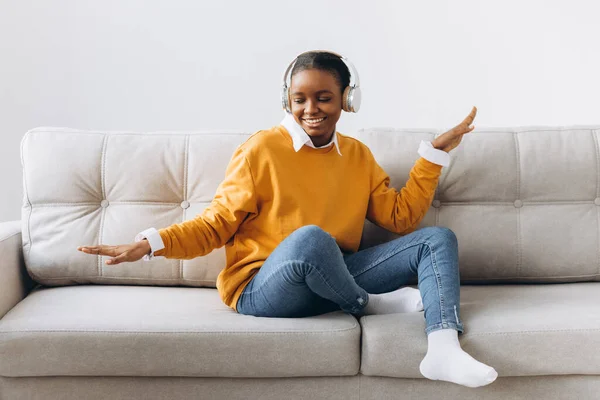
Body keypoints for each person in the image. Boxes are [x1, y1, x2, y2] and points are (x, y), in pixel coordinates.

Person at [78, 50, 497, 388]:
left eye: (324, 98)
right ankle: (365, 305)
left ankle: (442, 348)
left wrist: (434, 155)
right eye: (299, 100)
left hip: (333, 275)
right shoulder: (260, 150)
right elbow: (215, 224)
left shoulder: (356, 156)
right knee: (310, 238)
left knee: (436, 239)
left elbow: (400, 217)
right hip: (263, 288)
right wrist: (150, 243)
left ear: (348, 100)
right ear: (287, 101)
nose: (310, 109)